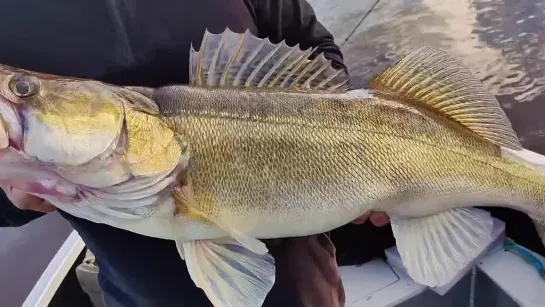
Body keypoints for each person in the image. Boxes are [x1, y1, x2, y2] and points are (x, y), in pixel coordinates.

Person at [0, 0, 389, 306]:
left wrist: (365, 156)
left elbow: (320, 57)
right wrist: (12, 191)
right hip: (141, 296)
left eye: (21, 89)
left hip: (306, 288)